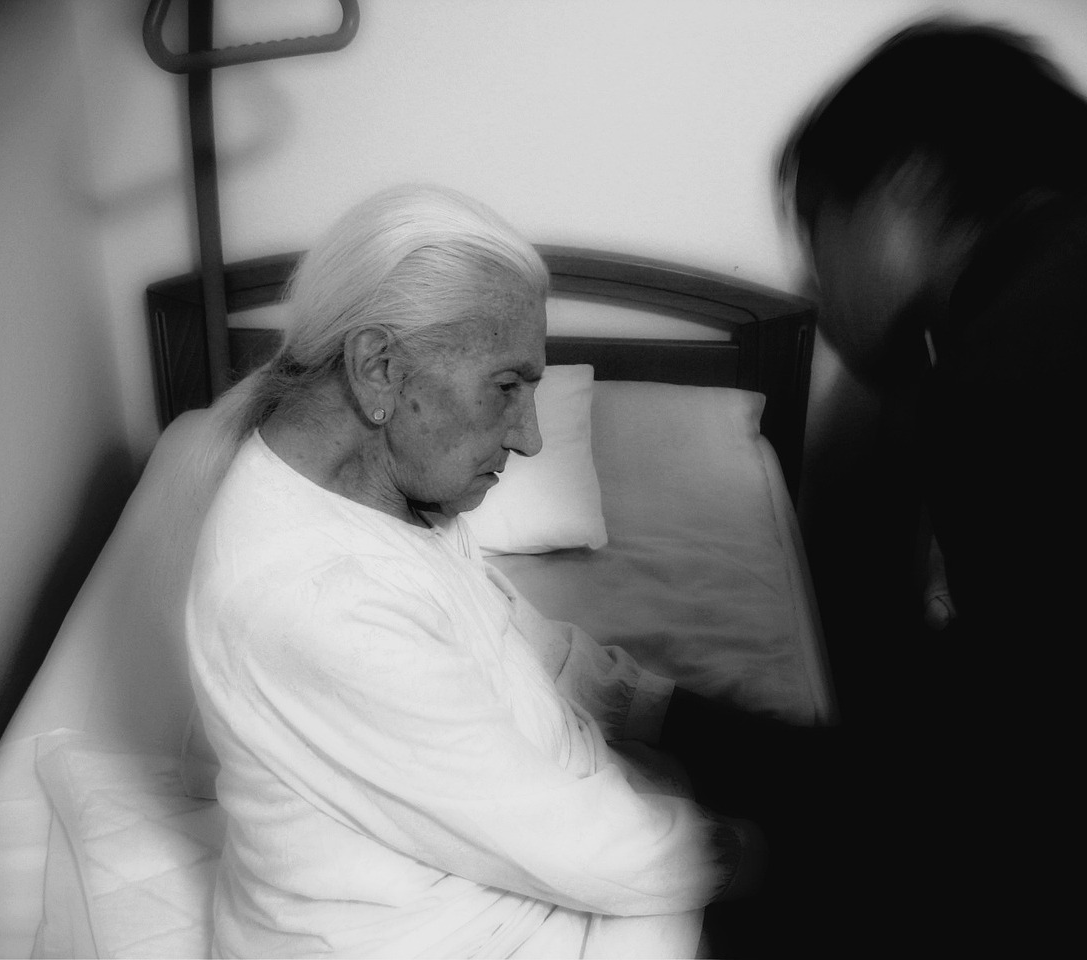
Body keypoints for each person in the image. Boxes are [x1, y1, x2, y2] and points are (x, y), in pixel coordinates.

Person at [185, 185, 781, 958]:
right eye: (507, 387)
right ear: (379, 370)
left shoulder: (379, 487)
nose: (531, 438)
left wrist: (669, 713)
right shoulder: (315, 598)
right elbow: (575, 846)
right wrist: (756, 852)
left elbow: (509, 640)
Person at [777, 17, 1087, 952]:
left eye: (815, 230)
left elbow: (1023, 792)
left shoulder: (1012, 366)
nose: (812, 288)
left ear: (903, 190)